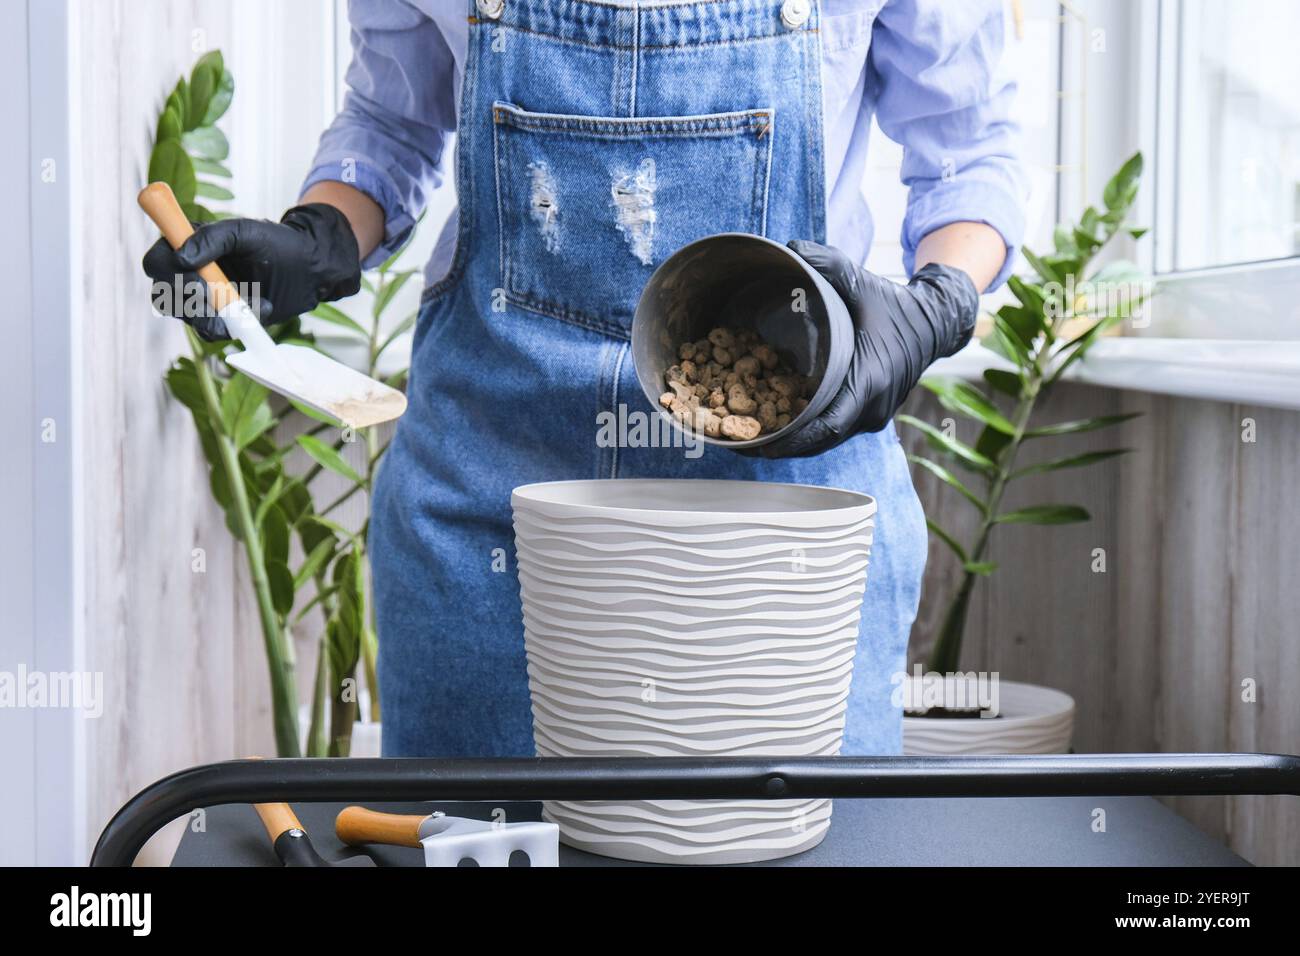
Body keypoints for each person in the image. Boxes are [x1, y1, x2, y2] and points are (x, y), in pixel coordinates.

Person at [144, 0, 1025, 758]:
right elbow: (392, 118)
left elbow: (971, 148)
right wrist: (323, 235)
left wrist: (937, 300)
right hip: (488, 524)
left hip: (786, 540)